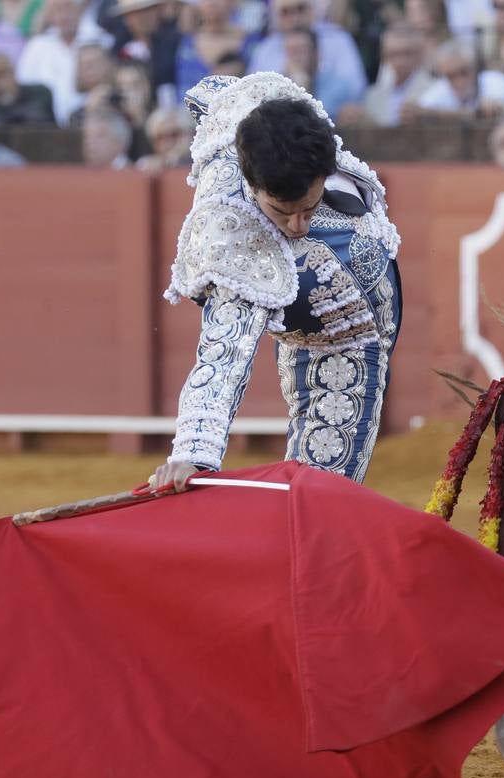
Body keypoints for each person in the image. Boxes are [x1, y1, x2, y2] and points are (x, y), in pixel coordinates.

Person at [151, 72, 402, 491]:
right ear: (252, 186)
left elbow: (216, 90)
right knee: (318, 501)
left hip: (346, 299)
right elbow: (223, 351)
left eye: (308, 207)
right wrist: (194, 452)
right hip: (338, 343)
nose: (298, 226)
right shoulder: (235, 237)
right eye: (281, 212)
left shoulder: (266, 114)